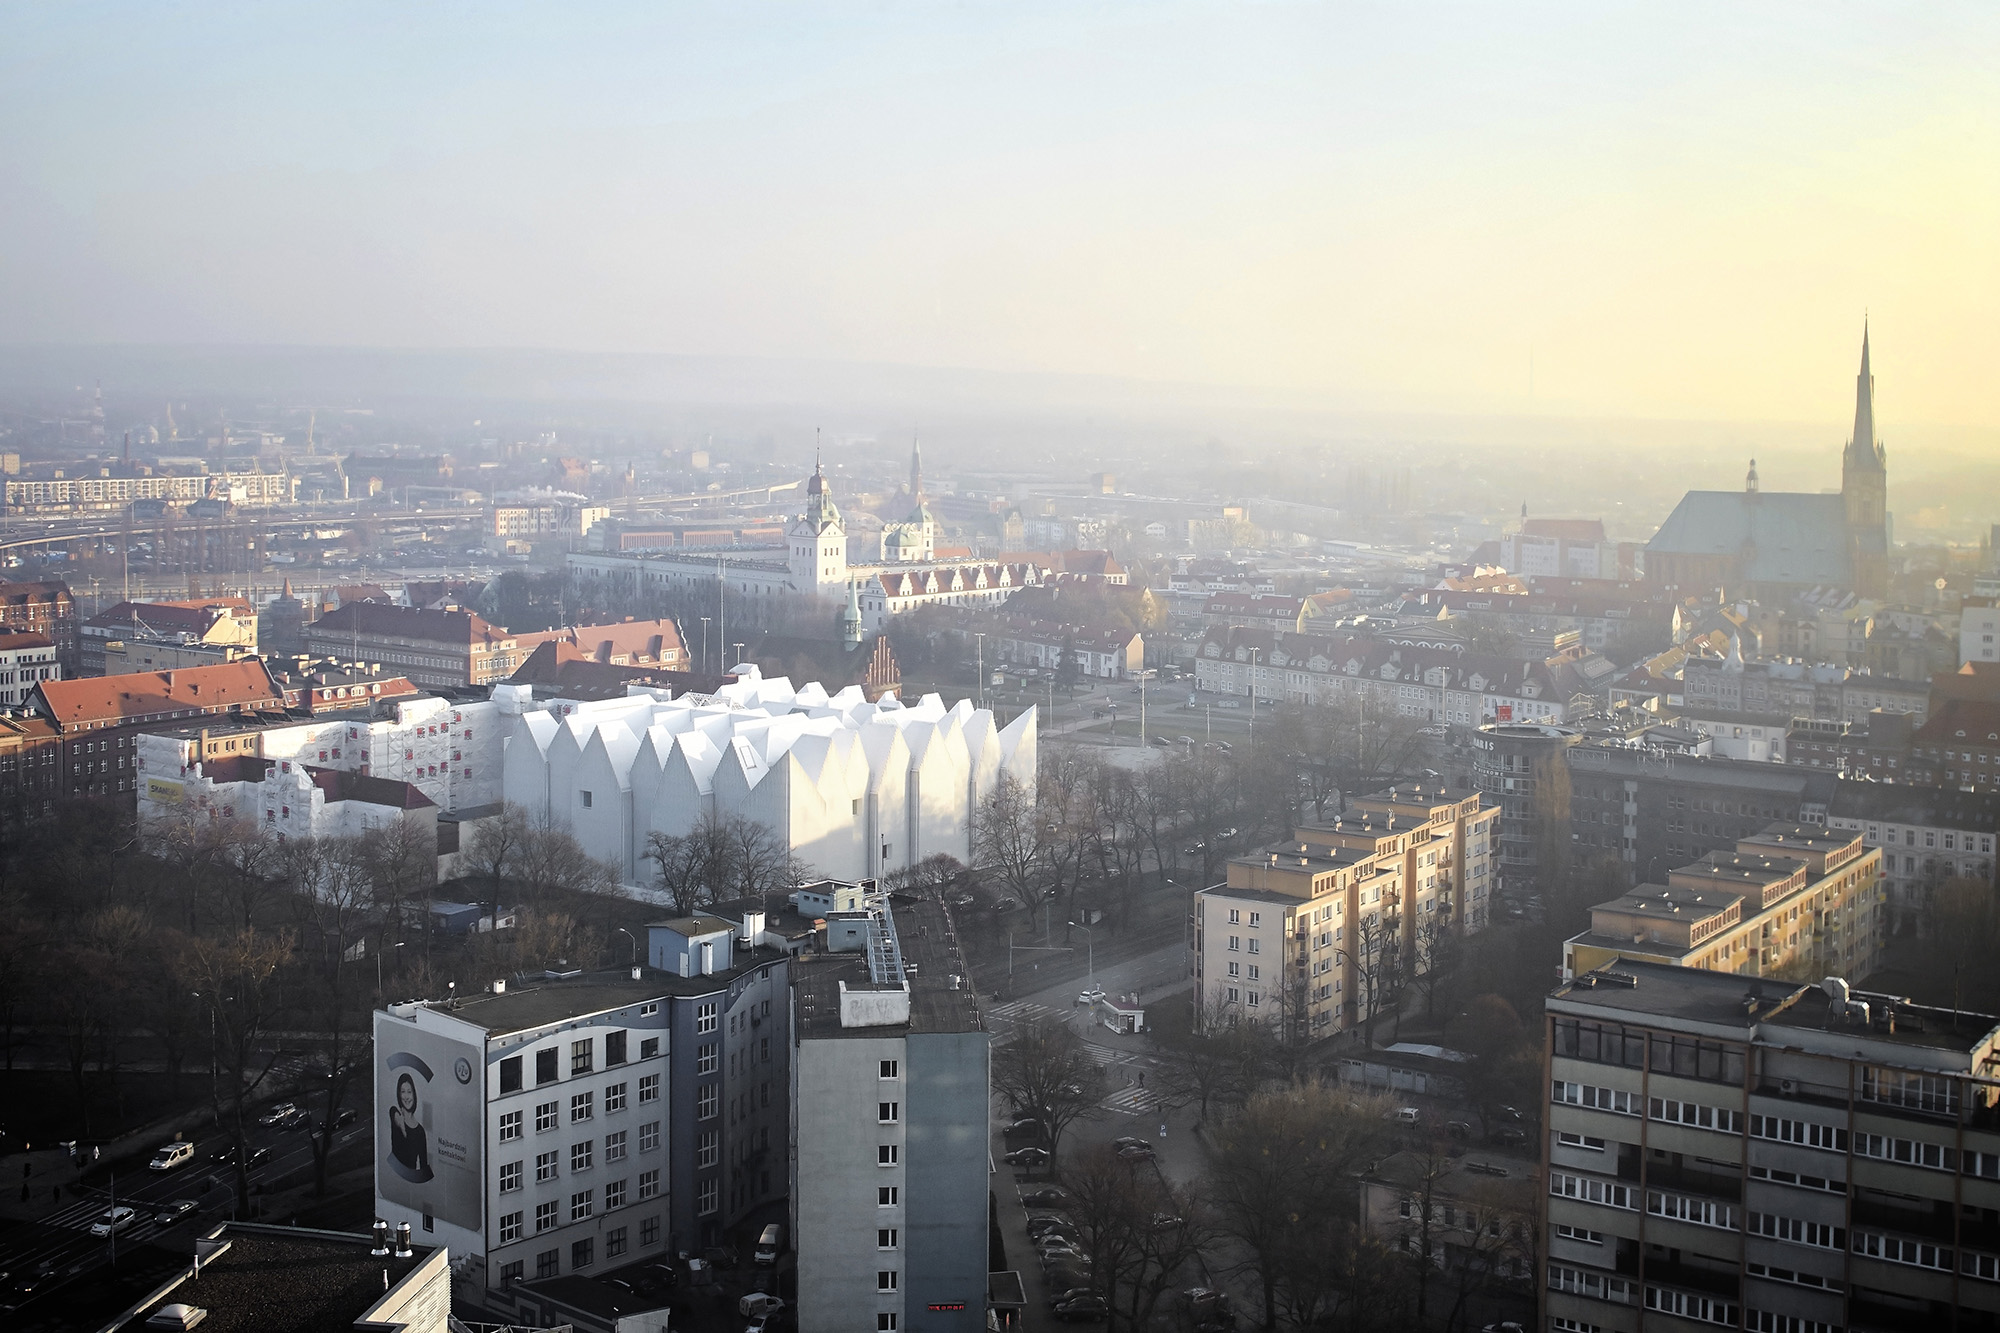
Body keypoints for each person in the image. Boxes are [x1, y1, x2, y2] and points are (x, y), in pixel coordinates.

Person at [388, 1072, 431, 1178]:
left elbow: (423, 1166)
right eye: (403, 1092)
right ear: (399, 1094)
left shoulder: (420, 1131)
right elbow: (393, 1113)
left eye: (409, 1092)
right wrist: (401, 1123)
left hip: (409, 1181)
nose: (406, 1096)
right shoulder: (395, 1114)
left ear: (414, 1094)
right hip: (393, 1176)